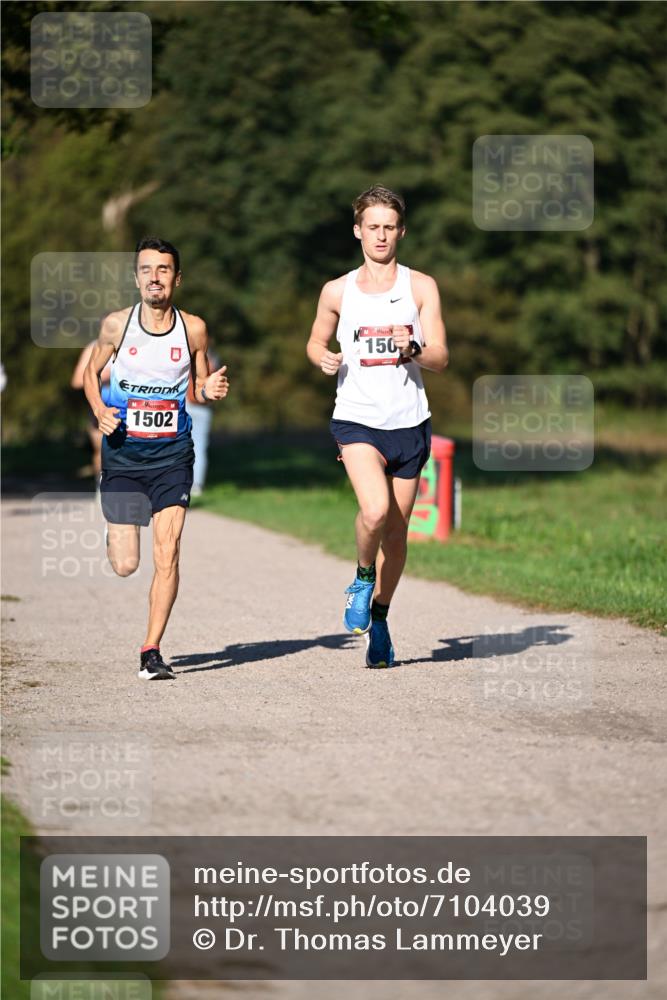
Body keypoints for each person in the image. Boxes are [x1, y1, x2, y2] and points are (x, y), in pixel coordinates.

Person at [307, 185, 448, 667]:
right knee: (374, 512)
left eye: (389, 227)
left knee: (397, 533)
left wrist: (414, 349)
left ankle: (382, 619)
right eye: (373, 226)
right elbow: (314, 341)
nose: (381, 235)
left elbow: (442, 357)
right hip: (356, 419)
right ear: (358, 231)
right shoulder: (337, 291)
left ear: (401, 231)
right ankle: (362, 578)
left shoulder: (421, 287)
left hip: (409, 423)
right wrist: (322, 357)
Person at [83, 237, 229, 680]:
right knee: (127, 564)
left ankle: (151, 650)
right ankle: (115, 527)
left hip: (172, 456)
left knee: (168, 552)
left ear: (176, 278)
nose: (154, 278)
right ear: (136, 278)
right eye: (146, 270)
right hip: (125, 455)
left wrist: (210, 391)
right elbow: (91, 373)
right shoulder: (116, 326)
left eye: (163, 270)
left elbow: (198, 388)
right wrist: (101, 411)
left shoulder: (194, 329)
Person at [71, 341, 112, 477]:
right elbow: (77, 380)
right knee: (102, 452)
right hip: (101, 406)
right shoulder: (95, 347)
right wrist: (108, 374)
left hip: (131, 407)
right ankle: (101, 490)